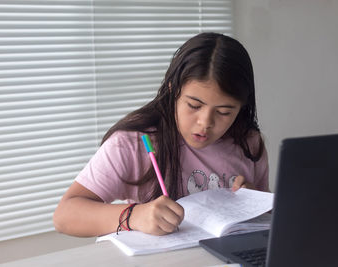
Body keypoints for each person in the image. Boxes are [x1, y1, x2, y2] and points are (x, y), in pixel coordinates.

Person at [53, 32, 269, 238]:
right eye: (194, 105)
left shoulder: (248, 144)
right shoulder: (133, 143)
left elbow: (270, 220)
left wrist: (251, 202)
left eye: (224, 112)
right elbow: (65, 215)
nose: (205, 123)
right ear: (172, 90)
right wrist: (135, 216)